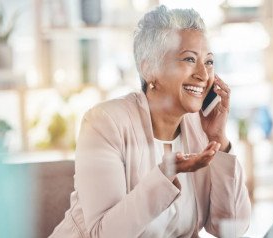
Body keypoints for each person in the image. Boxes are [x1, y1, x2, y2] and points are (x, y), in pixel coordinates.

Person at [50, 5, 251, 238]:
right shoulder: (104, 123)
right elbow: (103, 234)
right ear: (149, 68)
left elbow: (233, 229)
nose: (204, 75)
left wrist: (219, 139)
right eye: (189, 59)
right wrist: (166, 173)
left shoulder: (200, 129)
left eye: (208, 62)